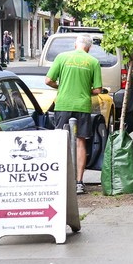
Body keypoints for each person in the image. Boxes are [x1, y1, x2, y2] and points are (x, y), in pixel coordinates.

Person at [45, 33, 103, 195]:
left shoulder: (62, 57)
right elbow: (98, 90)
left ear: (75, 44)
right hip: (82, 106)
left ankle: (59, 178)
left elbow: (48, 80)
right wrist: (85, 89)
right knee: (80, 142)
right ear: (89, 47)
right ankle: (79, 182)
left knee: (60, 140)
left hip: (63, 104)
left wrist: (61, 87)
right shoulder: (93, 62)